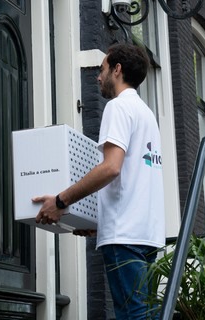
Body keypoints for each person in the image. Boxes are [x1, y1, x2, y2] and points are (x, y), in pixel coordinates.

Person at [33, 43, 165, 319]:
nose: (98, 76)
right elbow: (134, 179)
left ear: (117, 69)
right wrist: (99, 223)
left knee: (133, 316)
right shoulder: (147, 115)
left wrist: (60, 201)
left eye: (102, 69)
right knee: (145, 314)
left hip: (125, 237)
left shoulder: (118, 107)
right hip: (147, 236)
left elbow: (111, 168)